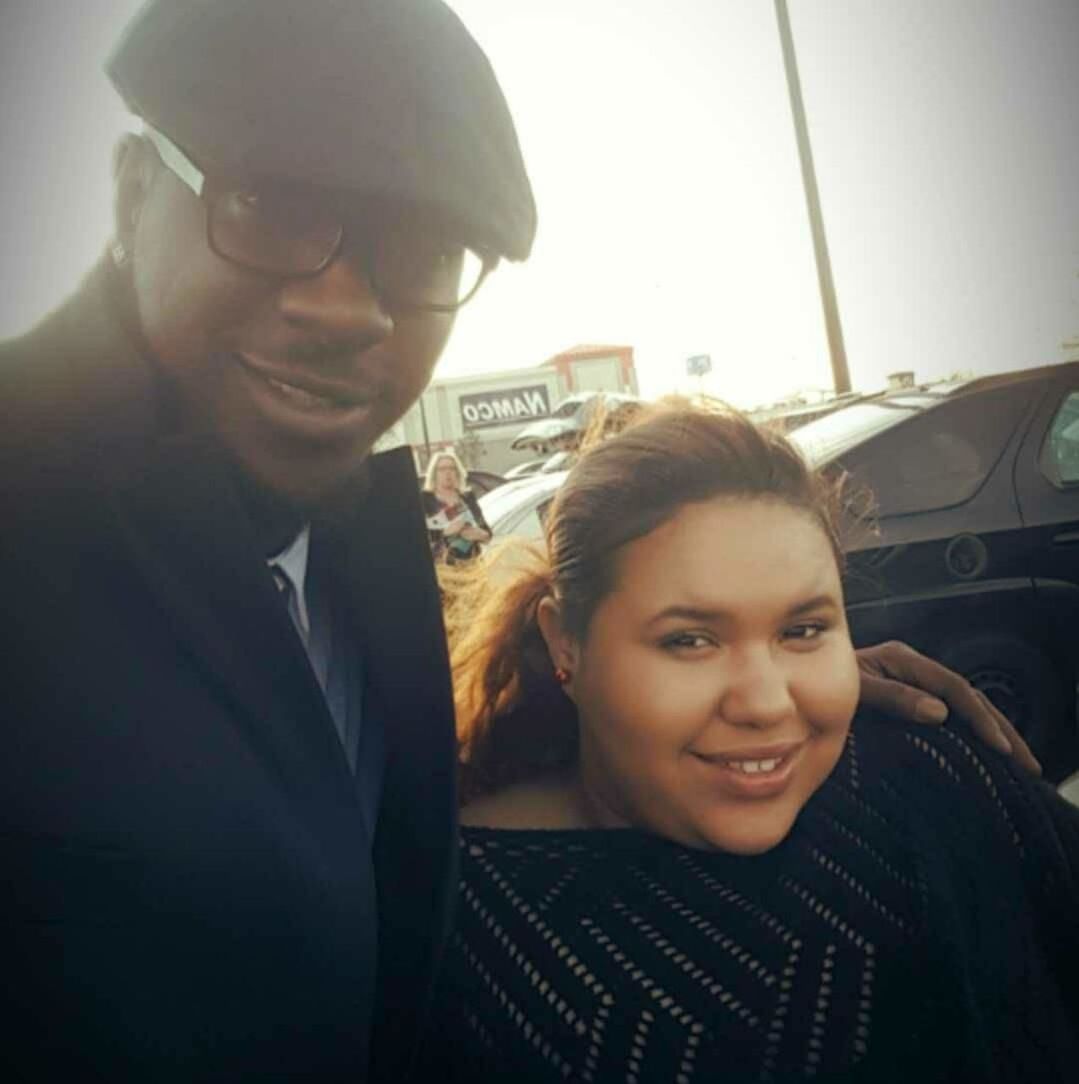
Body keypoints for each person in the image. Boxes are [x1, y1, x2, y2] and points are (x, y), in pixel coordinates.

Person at [0, 1, 1031, 1079]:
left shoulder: (341, 543)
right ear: (129, 193)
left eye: (421, 245)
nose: (344, 306)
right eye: (268, 205)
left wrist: (767, 691)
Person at [422, 404, 1079, 1082]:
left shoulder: (930, 783)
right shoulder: (446, 935)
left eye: (801, 630)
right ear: (565, 642)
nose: (766, 702)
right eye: (689, 640)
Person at [422, 447, 493, 563]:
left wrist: (481, 534)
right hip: (443, 567)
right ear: (434, 473)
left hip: (473, 564)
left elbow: (487, 532)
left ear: (458, 472)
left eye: (452, 468)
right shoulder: (425, 499)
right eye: (442, 469)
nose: (448, 473)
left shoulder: (467, 497)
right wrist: (445, 532)